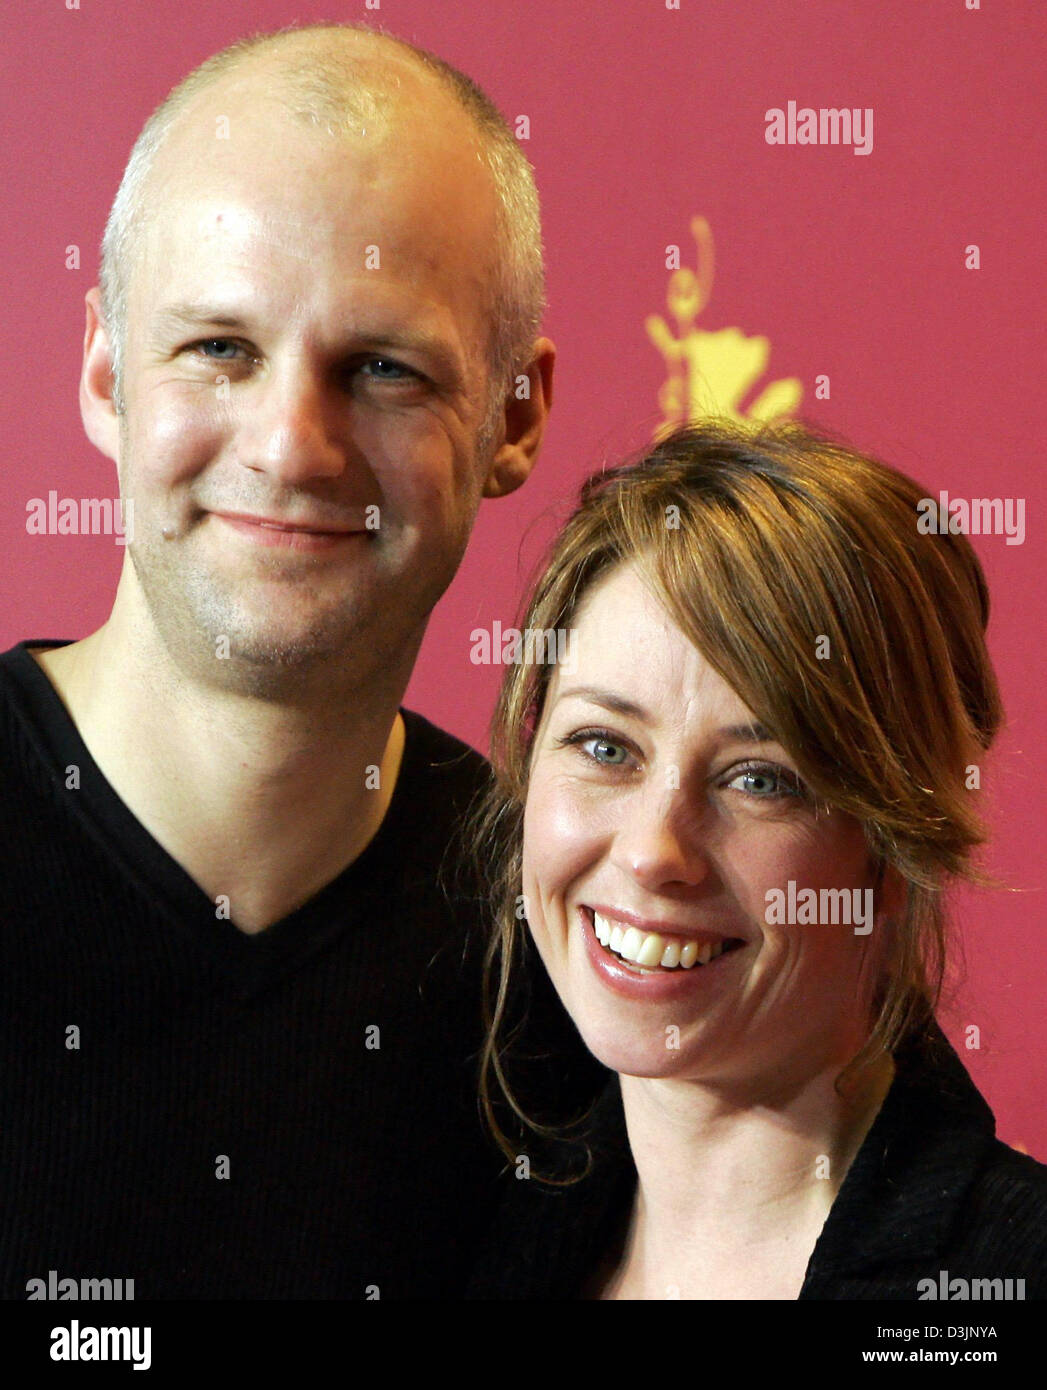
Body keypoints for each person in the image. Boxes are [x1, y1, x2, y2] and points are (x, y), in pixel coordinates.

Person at [0, 21, 597, 1300]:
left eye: (383, 367)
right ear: (107, 370)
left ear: (516, 415)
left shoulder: (577, 937)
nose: (290, 447)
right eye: (220, 347)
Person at [466, 419, 1047, 1299]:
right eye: (604, 746)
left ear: (898, 845)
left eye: (760, 781)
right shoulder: (460, 1236)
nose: (655, 852)